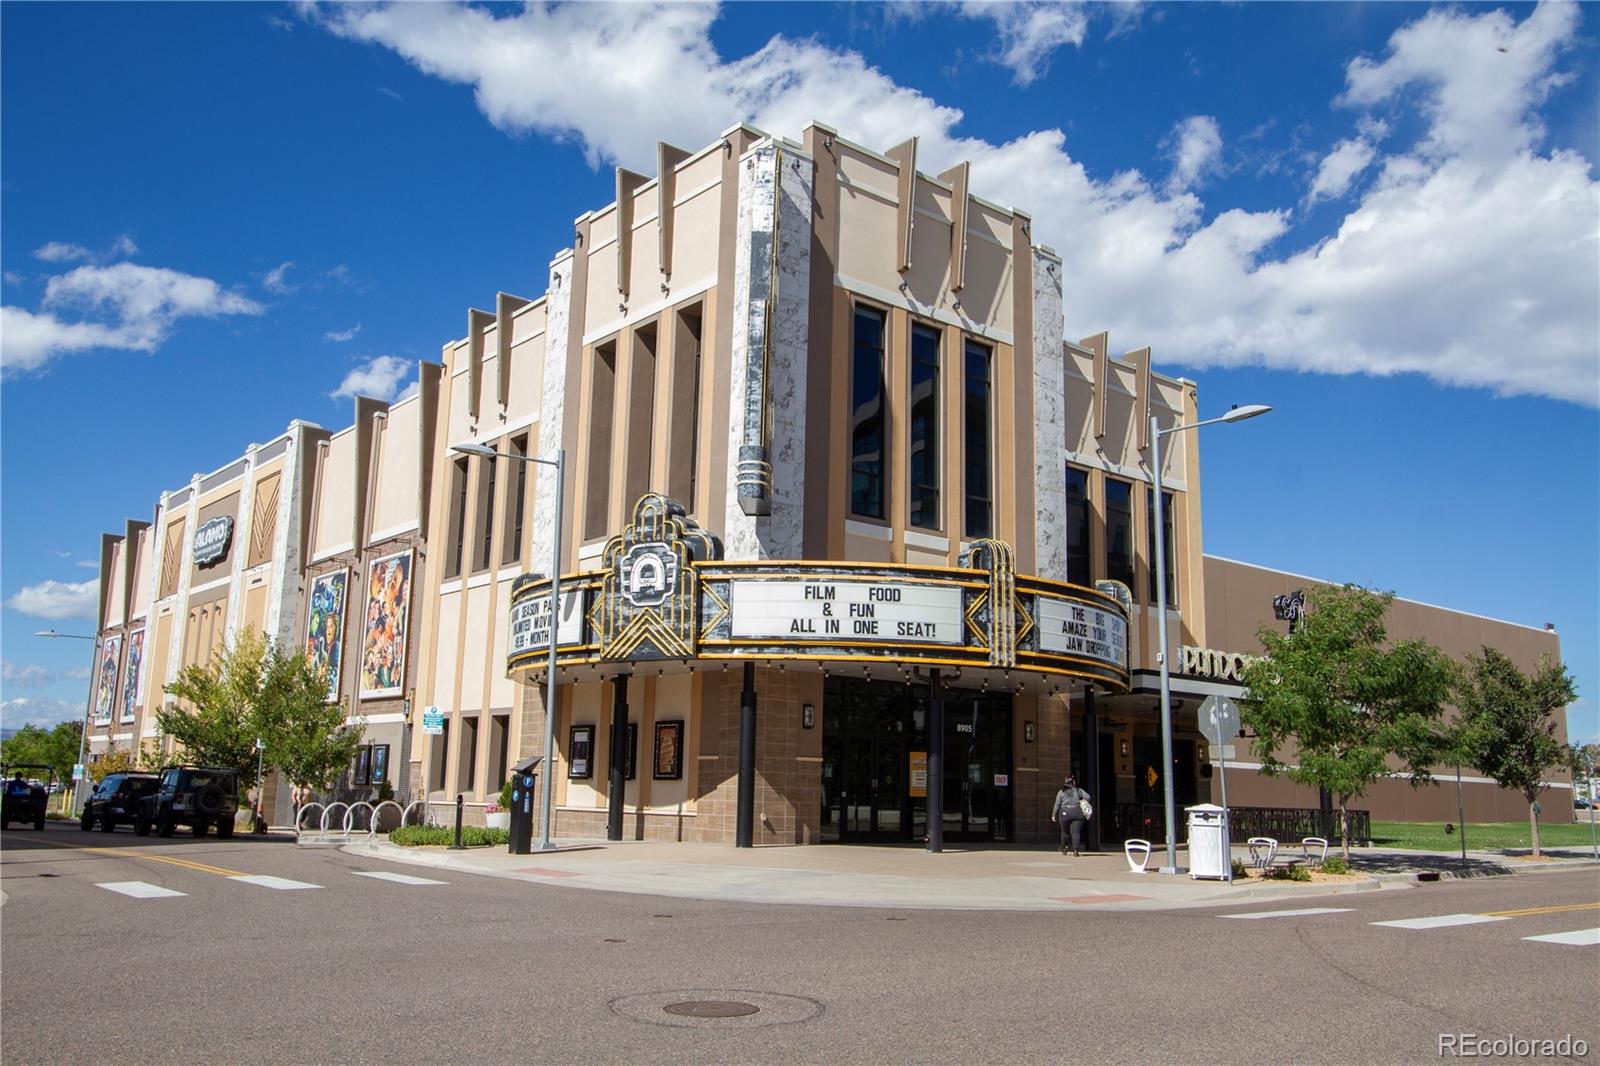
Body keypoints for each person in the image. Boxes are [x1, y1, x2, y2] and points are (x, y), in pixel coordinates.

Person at [1052, 774, 1091, 856]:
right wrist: (1081, 800)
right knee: (1075, 832)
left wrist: (1053, 815)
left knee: (1065, 831)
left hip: (1065, 813)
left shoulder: (1061, 792)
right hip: (1077, 812)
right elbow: (1088, 797)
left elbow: (1057, 804)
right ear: (1073, 782)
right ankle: (1076, 850)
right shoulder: (1078, 790)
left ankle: (1064, 847)